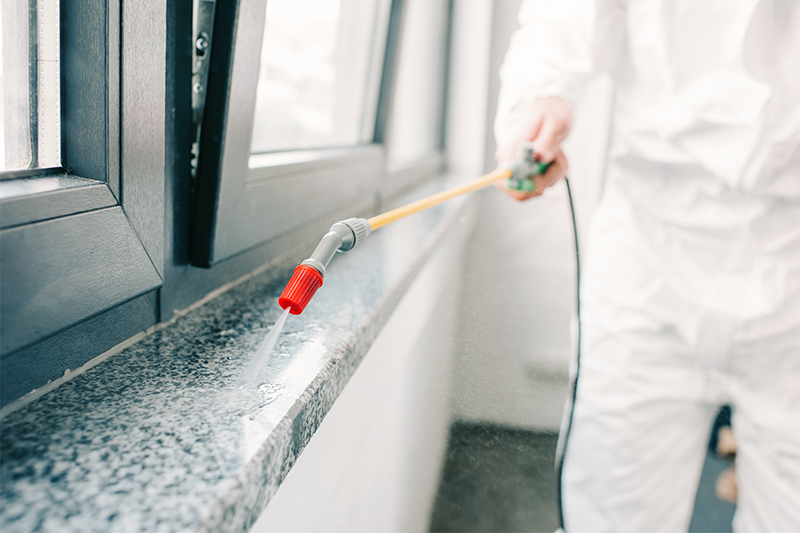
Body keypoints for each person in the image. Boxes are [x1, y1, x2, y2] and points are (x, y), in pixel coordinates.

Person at [494, 1, 800, 532]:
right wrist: (539, 97)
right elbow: (563, 19)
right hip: (649, 253)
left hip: (790, 255)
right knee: (613, 511)